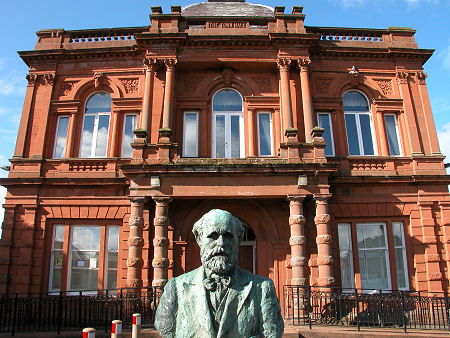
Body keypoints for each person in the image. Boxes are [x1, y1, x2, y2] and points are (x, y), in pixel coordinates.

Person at [154, 209, 284, 338]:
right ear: (199, 239)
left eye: (228, 236)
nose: (221, 243)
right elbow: (165, 330)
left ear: (238, 240)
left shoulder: (262, 288)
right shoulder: (176, 288)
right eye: (213, 236)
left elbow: (271, 334)